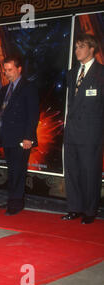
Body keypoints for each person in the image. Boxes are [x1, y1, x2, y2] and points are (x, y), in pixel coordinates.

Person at [0, 55, 39, 216]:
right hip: (6, 136)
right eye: (5, 70)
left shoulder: (28, 87)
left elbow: (33, 115)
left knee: (18, 170)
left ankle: (16, 203)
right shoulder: (4, 90)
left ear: (19, 69)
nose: (7, 73)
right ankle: (12, 199)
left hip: (21, 138)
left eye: (10, 70)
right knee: (11, 170)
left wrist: (28, 137)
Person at [62, 34, 103, 225]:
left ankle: (89, 210)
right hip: (72, 131)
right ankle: (74, 208)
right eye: (76, 47)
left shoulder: (101, 73)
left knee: (89, 172)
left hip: (91, 133)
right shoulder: (72, 73)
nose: (77, 50)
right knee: (72, 171)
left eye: (81, 46)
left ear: (92, 49)